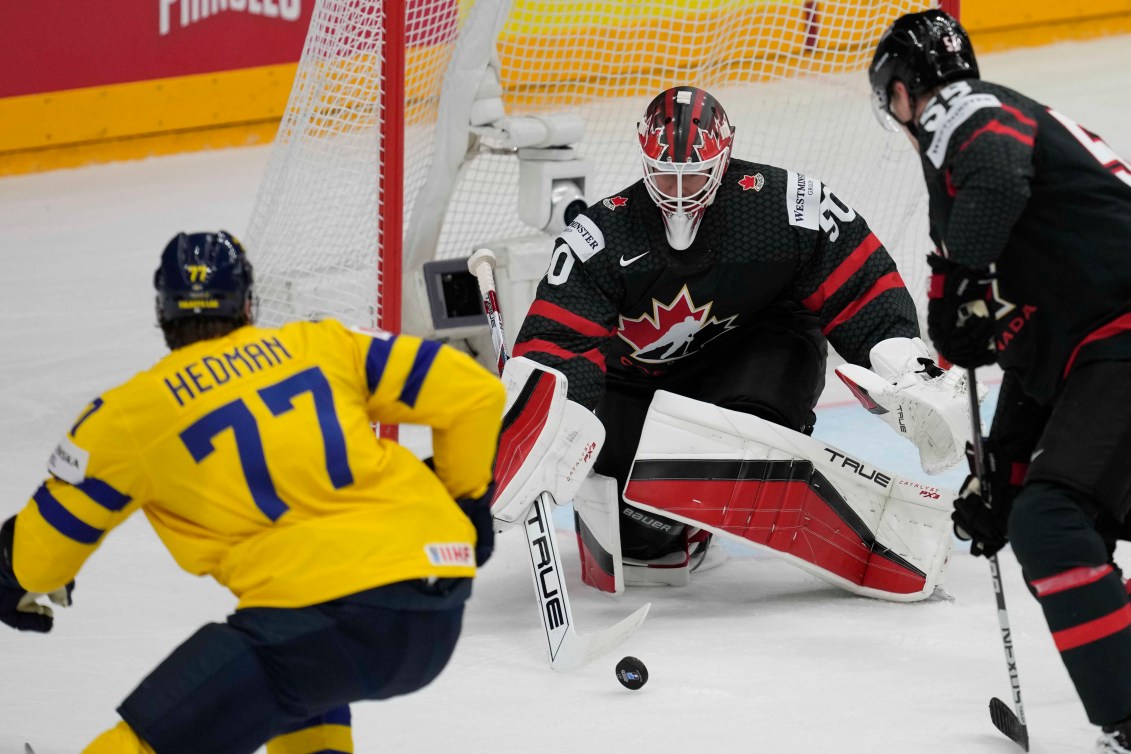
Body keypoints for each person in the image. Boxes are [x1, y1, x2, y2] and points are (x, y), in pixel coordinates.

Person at [0, 231, 505, 754]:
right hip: (434, 600)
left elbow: (39, 558)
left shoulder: (129, 415)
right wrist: (467, 504)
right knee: (297, 676)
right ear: (247, 303)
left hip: (327, 614)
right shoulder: (321, 345)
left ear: (162, 311)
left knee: (156, 732)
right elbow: (473, 394)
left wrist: (8, 578)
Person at [488, 85, 972, 592]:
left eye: (694, 173)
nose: (679, 191)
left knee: (748, 440)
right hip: (636, 387)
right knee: (642, 541)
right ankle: (664, 515)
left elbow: (856, 280)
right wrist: (533, 435)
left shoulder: (783, 206)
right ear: (643, 158)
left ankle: (737, 463)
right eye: (665, 175)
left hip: (748, 360)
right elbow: (559, 343)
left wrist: (901, 359)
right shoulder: (601, 237)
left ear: (726, 154)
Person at [869, 10, 1131, 751]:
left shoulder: (960, 107)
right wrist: (1002, 476)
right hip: (1104, 350)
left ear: (900, 90)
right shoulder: (1043, 231)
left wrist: (954, 280)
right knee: (1053, 518)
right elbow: (1033, 355)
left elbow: (993, 166)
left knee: (1054, 526)